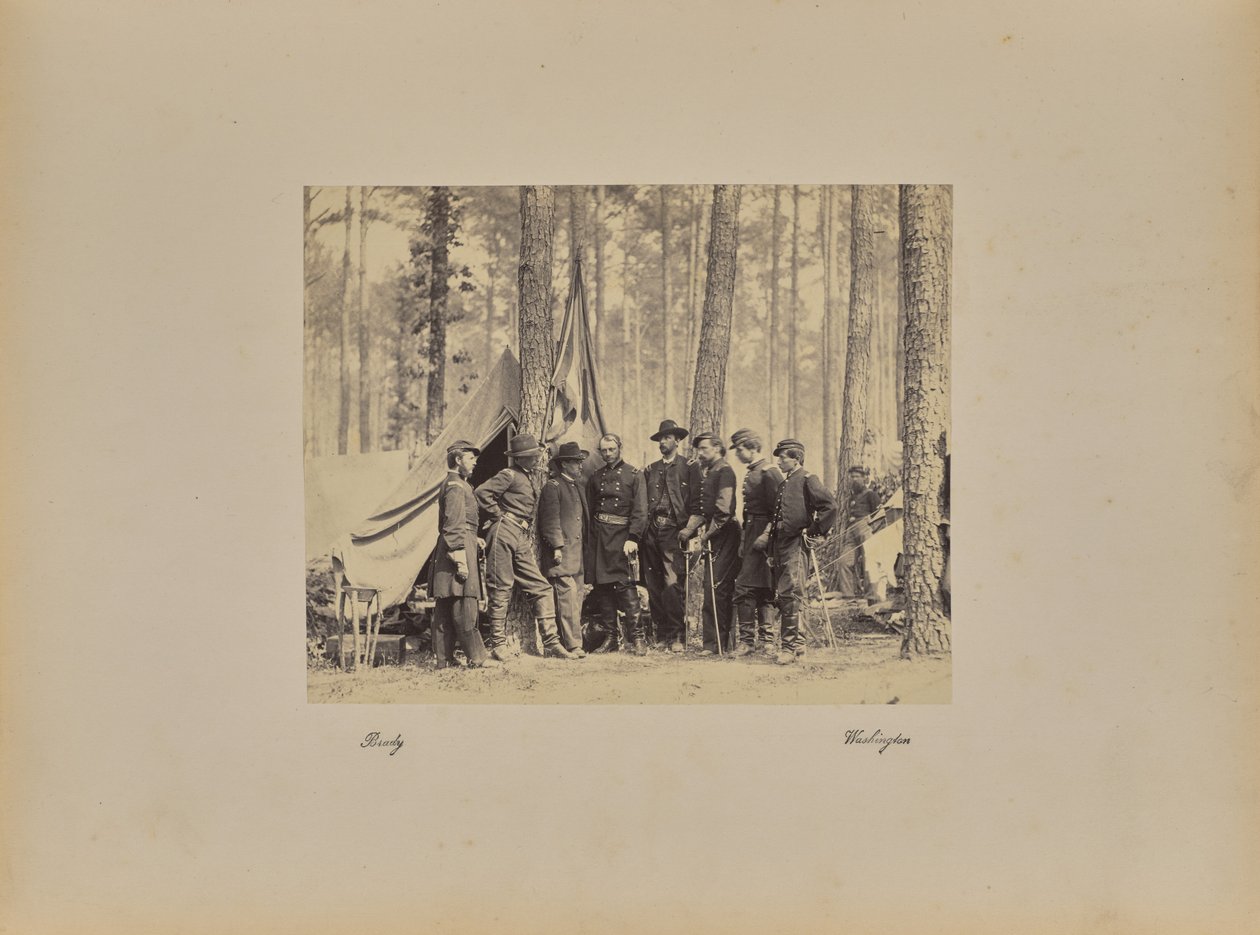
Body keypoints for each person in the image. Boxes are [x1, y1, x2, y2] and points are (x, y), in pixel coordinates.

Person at [474, 434, 573, 662]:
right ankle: (498, 644)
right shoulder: (508, 474)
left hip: (519, 534)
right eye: (529, 456)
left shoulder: (527, 475)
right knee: (500, 588)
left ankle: (551, 643)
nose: (535, 459)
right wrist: (498, 515)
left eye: (535, 455)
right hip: (503, 531)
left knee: (542, 587)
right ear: (518, 458)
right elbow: (482, 493)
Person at [427, 440, 499, 669]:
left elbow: (458, 521)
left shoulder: (454, 484)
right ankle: (477, 658)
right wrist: (460, 558)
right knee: (465, 605)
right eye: (470, 458)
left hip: (455, 545)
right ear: (458, 460)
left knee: (446, 606)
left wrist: (472, 537)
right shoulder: (456, 486)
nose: (475, 462)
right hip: (456, 548)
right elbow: (452, 524)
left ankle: (444, 659)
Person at [766, 439, 837, 665]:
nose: (779, 462)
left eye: (783, 457)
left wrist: (813, 530)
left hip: (796, 544)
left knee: (791, 592)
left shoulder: (808, 479)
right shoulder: (783, 484)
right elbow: (776, 520)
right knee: (788, 594)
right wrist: (771, 551)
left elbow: (829, 506)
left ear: (796, 459)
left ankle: (788, 648)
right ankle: (798, 645)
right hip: (780, 544)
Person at [585, 433, 649, 654]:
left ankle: (638, 638)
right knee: (602, 587)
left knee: (625, 586)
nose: (608, 454)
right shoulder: (596, 477)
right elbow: (590, 509)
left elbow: (640, 511)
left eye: (611, 449)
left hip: (623, 538)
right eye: (604, 450)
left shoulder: (634, 475)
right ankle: (611, 638)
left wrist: (633, 537)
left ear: (620, 448)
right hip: (600, 537)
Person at [678, 432, 740, 655]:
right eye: (698, 449)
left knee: (718, 588)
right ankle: (711, 643)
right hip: (714, 534)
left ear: (717, 448)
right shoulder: (708, 472)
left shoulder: (725, 471)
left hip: (726, 534)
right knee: (710, 587)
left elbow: (723, 511)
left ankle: (722, 643)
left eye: (704, 448)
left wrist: (705, 536)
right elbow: (702, 510)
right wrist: (689, 529)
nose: (700, 453)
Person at [730, 429, 783, 655]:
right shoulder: (754, 471)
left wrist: (766, 535)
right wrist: (745, 538)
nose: (737, 454)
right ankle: (763, 642)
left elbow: (779, 510)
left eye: (740, 449)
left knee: (747, 587)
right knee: (761, 587)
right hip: (752, 532)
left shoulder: (769, 472)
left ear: (752, 448)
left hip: (765, 535)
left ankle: (752, 641)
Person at [640, 419, 693, 652]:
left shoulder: (689, 467)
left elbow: (696, 502)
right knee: (653, 583)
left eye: (667, 438)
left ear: (677, 441)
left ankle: (677, 636)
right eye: (660, 438)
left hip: (675, 532)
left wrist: (690, 531)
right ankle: (661, 634)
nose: (663, 442)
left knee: (672, 583)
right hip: (652, 531)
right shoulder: (650, 470)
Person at [537, 441, 590, 658]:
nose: (580, 466)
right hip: (562, 555)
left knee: (576, 600)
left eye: (580, 462)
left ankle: (573, 642)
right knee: (566, 599)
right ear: (565, 464)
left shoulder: (578, 487)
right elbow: (550, 520)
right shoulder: (553, 487)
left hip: (577, 555)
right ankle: (573, 645)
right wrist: (557, 547)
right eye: (576, 462)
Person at [837, 465, 882, 598]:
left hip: (865, 528)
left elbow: (880, 515)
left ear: (864, 478)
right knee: (844, 561)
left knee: (869, 561)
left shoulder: (871, 494)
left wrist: (872, 529)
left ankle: (871, 595)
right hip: (851, 531)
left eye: (857, 477)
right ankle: (848, 595)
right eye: (852, 477)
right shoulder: (852, 497)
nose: (854, 479)